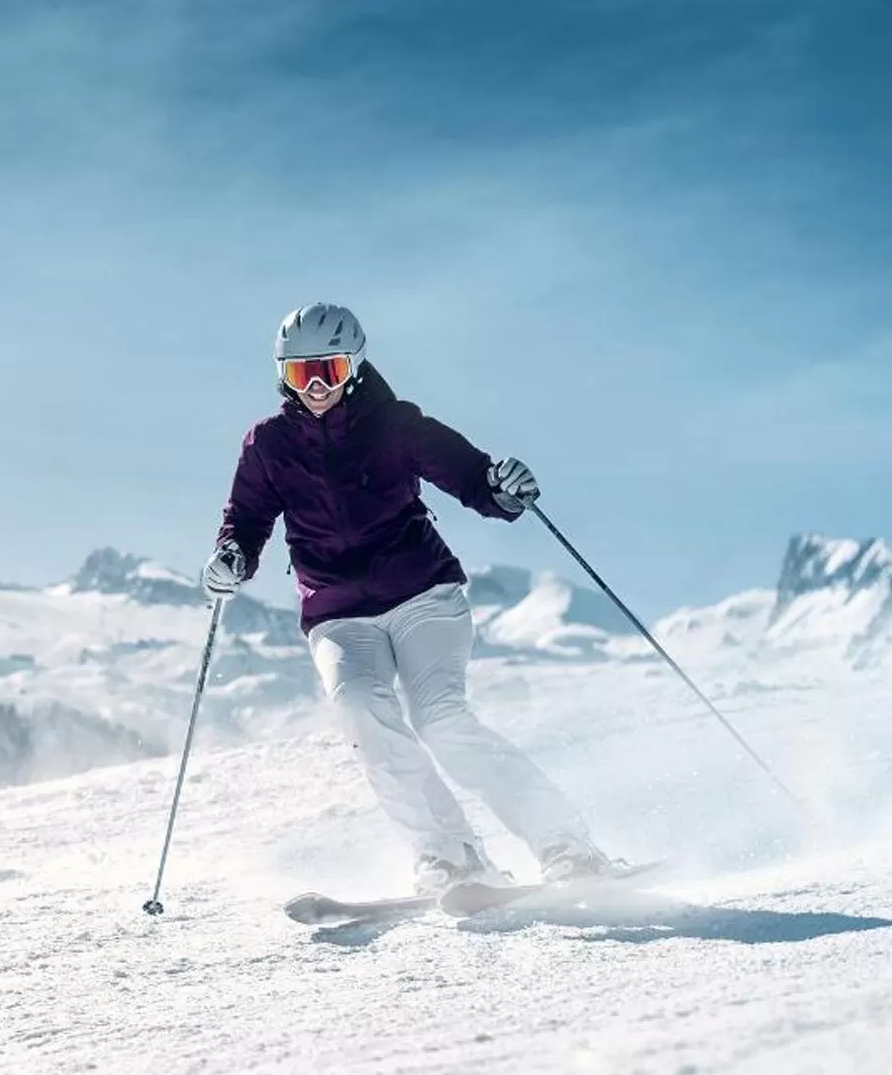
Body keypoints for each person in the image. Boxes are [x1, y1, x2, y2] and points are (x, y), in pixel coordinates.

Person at [203, 303, 611, 895]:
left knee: (442, 720)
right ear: (282, 376)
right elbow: (245, 519)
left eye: (328, 371)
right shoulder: (268, 445)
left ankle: (566, 844)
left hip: (424, 595)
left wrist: (502, 488)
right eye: (300, 374)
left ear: (354, 368)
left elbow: (471, 475)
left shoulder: (394, 424)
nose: (315, 388)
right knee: (362, 713)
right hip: (338, 613)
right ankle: (450, 855)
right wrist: (232, 556)